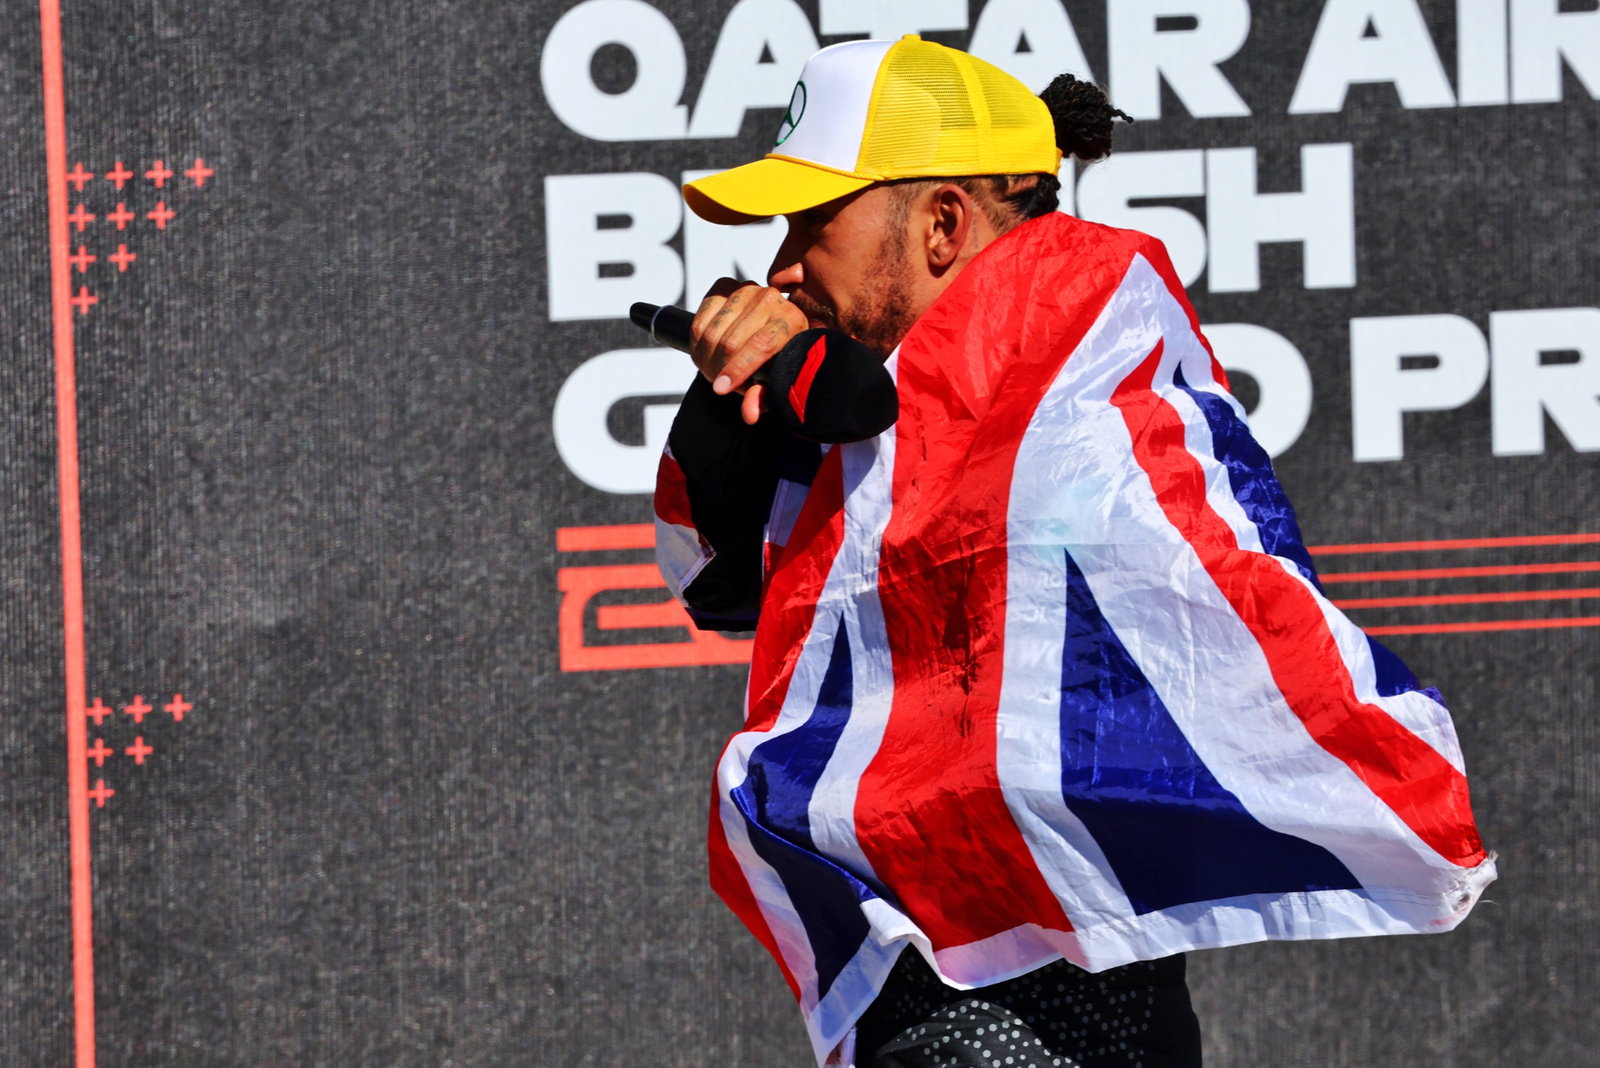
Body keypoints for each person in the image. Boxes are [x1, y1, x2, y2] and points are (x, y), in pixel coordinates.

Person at [653, 35, 1494, 1068]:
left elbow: (979, 501)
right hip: (933, 985)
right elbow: (727, 587)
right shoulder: (871, 416)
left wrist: (819, 384)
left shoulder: (1065, 327)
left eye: (811, 221)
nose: (782, 263)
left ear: (943, 223)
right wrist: (730, 404)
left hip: (1038, 1017)